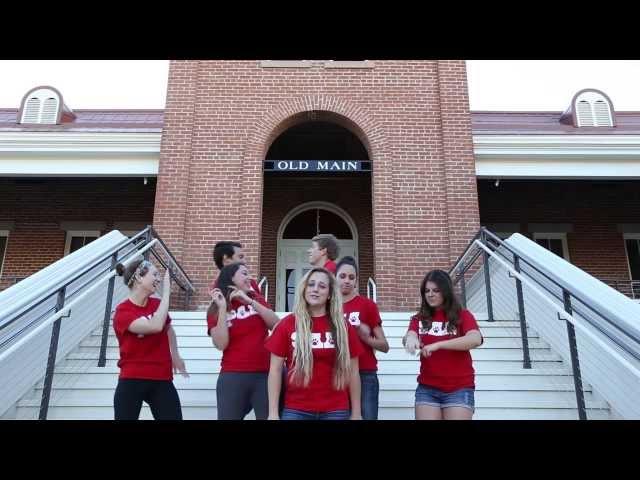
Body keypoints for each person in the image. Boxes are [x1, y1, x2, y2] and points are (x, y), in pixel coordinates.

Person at [265, 267, 363, 420]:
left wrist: (356, 413)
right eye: (311, 284)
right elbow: (275, 371)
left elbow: (353, 372)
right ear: (304, 289)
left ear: (330, 294)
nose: (315, 289)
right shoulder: (287, 324)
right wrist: (272, 413)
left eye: (322, 286)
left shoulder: (343, 327)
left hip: (335, 409)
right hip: (296, 409)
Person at [112, 258, 189, 420]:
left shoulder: (156, 305)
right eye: (154, 274)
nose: (159, 279)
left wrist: (175, 355)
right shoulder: (123, 312)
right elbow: (155, 326)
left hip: (161, 378)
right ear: (139, 277)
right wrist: (167, 293)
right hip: (132, 379)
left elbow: (168, 329)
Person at [403, 269, 483, 420]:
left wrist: (439, 345)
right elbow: (411, 335)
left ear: (446, 291)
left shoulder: (463, 315)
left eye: (436, 290)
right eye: (426, 291)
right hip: (427, 389)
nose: (430, 294)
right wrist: (411, 339)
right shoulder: (418, 318)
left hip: (459, 389)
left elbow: (475, 339)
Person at [207, 262, 280, 420]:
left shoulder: (256, 299)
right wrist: (222, 309)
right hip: (233, 375)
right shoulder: (216, 308)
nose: (249, 278)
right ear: (231, 278)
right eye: (244, 274)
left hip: (264, 375)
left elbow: (276, 325)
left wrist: (251, 302)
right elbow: (221, 344)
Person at [336, 256, 389, 420]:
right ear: (334, 278)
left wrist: (366, 338)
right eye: (342, 276)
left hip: (365, 374)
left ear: (357, 281)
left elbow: (384, 346)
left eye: (352, 278)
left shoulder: (367, 306)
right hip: (337, 373)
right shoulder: (327, 306)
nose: (347, 281)